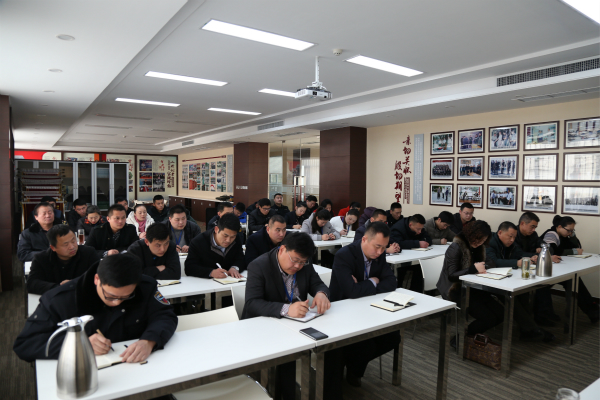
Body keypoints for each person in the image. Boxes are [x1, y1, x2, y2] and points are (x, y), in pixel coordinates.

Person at [14, 252, 178, 362]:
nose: (117, 302)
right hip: (83, 373)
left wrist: (150, 340)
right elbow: (26, 344)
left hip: (136, 369)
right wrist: (79, 344)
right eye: (110, 296)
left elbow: (165, 315)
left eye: (126, 297)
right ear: (96, 279)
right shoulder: (60, 299)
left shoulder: (145, 287)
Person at [242, 232, 330, 400]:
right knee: (283, 364)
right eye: (295, 260)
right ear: (282, 249)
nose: (297, 266)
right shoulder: (259, 266)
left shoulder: (305, 264)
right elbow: (252, 303)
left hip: (293, 328)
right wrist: (286, 309)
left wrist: (321, 293)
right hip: (261, 330)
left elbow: (318, 283)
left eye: (302, 262)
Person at [329, 222, 399, 387]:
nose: (380, 252)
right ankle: (353, 369)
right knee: (365, 345)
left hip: (369, 309)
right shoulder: (344, 255)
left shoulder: (379, 254)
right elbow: (351, 292)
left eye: (384, 248)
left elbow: (391, 282)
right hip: (342, 312)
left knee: (393, 338)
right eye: (377, 246)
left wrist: (362, 286)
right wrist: (373, 281)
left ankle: (354, 368)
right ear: (364, 239)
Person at [485, 221, 555, 341]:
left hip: (505, 278)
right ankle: (532, 329)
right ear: (500, 233)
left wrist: (533, 257)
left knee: (523, 293)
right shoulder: (490, 243)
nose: (512, 240)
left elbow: (521, 253)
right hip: (490, 280)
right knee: (511, 297)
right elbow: (494, 262)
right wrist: (516, 262)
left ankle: (527, 329)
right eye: (510, 236)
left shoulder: (510, 244)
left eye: (514, 237)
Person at [537, 215, 599, 323]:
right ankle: (592, 310)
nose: (570, 233)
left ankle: (593, 310)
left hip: (556, 267)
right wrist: (574, 251)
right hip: (544, 269)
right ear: (559, 227)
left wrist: (572, 235)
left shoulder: (564, 236)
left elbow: (577, 246)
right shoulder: (551, 234)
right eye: (569, 230)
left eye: (572, 230)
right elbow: (553, 251)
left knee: (575, 281)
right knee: (569, 281)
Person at [27, 225, 100, 295]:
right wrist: (60, 287)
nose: (72, 247)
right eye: (66, 244)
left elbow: (100, 276)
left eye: (73, 241)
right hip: (54, 298)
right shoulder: (41, 259)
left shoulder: (89, 253)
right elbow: (32, 283)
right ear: (53, 248)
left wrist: (74, 283)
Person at [185, 213, 245, 278]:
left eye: (232, 237)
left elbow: (241, 259)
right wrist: (211, 272)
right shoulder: (198, 242)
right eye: (225, 235)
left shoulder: (236, 239)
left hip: (230, 280)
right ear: (216, 229)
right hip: (205, 282)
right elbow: (189, 267)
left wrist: (235, 268)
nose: (228, 240)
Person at [390, 214, 432, 292]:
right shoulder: (398, 228)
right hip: (401, 258)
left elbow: (428, 239)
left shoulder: (419, 227)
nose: (420, 232)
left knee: (421, 269)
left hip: (416, 257)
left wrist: (422, 241)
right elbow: (398, 243)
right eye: (418, 229)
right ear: (410, 225)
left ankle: (418, 292)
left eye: (421, 229)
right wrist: (417, 243)